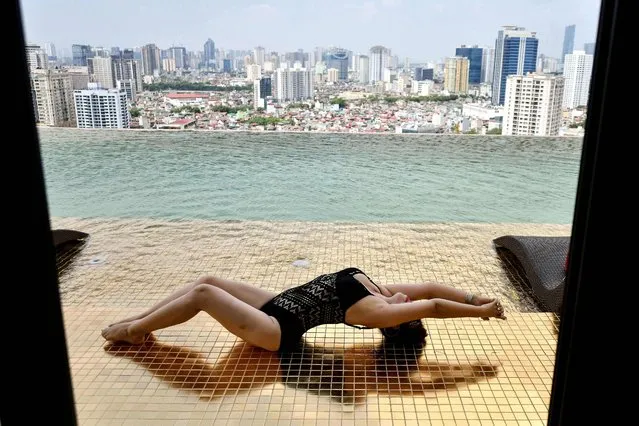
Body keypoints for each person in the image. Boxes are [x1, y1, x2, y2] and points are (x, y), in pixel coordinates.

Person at [102, 267, 506, 352]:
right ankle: (138, 321)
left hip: (275, 329)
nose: (411, 303)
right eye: (410, 306)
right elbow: (433, 287)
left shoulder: (373, 311)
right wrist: (474, 297)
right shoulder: (383, 291)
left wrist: (482, 314)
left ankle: (135, 332)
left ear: (396, 322)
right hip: (277, 302)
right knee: (206, 280)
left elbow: (433, 304)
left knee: (203, 296)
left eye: (408, 313)